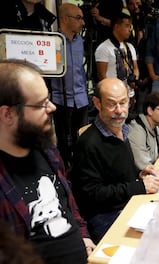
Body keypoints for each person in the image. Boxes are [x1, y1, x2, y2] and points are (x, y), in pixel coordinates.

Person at [0, 60, 95, 263]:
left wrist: (83, 234)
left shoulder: (46, 150)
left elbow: (67, 204)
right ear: (8, 114)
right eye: (41, 104)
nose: (52, 108)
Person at [71, 78, 159, 243]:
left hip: (124, 203)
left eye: (123, 102)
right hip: (104, 214)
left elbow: (116, 175)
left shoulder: (122, 130)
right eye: (112, 104)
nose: (119, 111)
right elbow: (92, 195)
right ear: (97, 103)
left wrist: (139, 174)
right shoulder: (89, 143)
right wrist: (139, 186)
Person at [50, 3, 89, 168]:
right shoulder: (53, 41)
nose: (83, 22)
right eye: (78, 18)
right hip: (61, 98)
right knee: (63, 142)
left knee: (82, 139)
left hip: (81, 98)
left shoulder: (80, 40)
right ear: (65, 19)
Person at [95, 12, 139, 109]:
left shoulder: (130, 46)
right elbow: (102, 75)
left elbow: (135, 67)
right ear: (117, 27)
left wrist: (134, 80)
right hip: (114, 98)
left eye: (130, 26)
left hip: (130, 95)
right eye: (127, 26)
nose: (130, 29)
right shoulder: (104, 48)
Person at [128, 92, 159, 170]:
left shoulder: (157, 125)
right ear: (150, 110)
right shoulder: (137, 130)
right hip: (143, 176)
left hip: (157, 169)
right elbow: (143, 164)